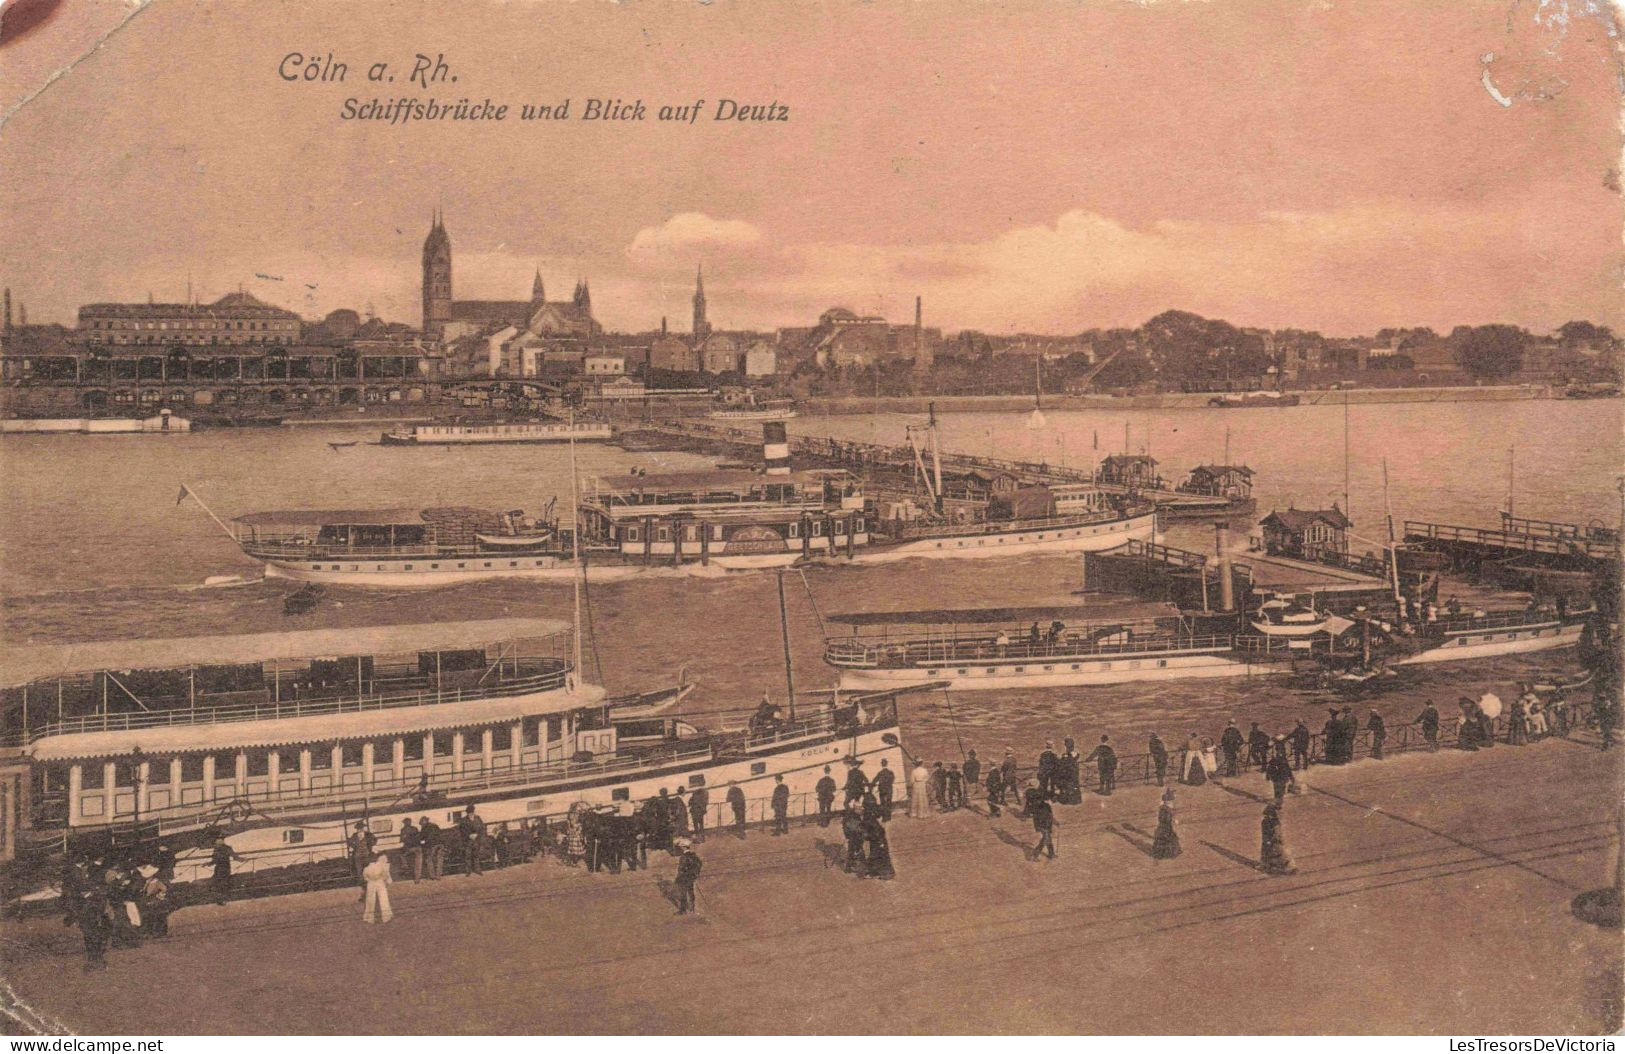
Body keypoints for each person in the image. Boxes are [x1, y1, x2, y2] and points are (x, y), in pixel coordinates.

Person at [1260, 802, 1296, 875]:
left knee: (1279, 854)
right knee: (1273, 854)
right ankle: (1284, 867)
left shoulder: (1271, 822)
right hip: (1270, 840)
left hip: (1272, 840)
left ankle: (1287, 868)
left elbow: (1277, 832)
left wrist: (1273, 839)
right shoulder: (1271, 821)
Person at [361, 851, 394, 923]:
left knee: (370, 900)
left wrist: (371, 880)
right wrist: (384, 881)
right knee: (383, 899)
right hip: (380, 883)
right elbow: (385, 875)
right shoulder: (380, 867)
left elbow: (365, 878)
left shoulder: (366, 869)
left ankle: (369, 918)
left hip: (371, 884)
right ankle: (386, 917)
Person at [210, 838, 244, 905]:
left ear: (222, 841)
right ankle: (221, 899)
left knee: (222, 883)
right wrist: (208, 863)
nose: (217, 843)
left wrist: (241, 859)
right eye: (217, 842)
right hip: (218, 868)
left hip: (224, 868)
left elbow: (234, 857)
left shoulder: (226, 848)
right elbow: (214, 860)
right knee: (217, 883)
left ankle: (222, 899)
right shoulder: (217, 849)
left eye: (218, 841)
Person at [673, 838, 702, 915]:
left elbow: (681, 870)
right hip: (690, 878)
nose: (680, 848)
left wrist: (678, 878)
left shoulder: (683, 857)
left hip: (683, 878)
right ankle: (692, 909)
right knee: (690, 892)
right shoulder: (693, 856)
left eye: (680, 847)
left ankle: (683, 910)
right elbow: (699, 864)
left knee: (682, 894)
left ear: (683, 847)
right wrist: (695, 874)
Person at [863, 812, 895, 879]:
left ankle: (874, 873)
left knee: (876, 858)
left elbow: (877, 834)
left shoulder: (872, 822)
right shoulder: (874, 822)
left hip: (878, 844)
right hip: (879, 843)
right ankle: (885, 873)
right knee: (881, 858)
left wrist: (866, 836)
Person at [1151, 789, 1182, 860]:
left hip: (1163, 827)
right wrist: (1173, 820)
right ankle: (1167, 854)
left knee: (1163, 840)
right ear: (1168, 801)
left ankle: (1162, 853)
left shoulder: (1164, 808)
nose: (1172, 803)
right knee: (1168, 840)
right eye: (1171, 801)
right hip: (1166, 827)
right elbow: (1166, 818)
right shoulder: (1166, 809)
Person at [460, 805, 487, 876]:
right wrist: (468, 835)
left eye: (472, 812)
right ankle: (468, 871)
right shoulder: (463, 820)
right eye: (469, 813)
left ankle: (478, 870)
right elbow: (462, 830)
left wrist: (477, 834)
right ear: (467, 813)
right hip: (468, 840)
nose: (471, 814)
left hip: (476, 840)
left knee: (476, 855)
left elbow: (482, 828)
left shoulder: (478, 818)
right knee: (468, 856)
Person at [841, 806, 867, 874]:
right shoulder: (853, 818)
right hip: (855, 837)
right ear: (856, 810)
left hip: (854, 837)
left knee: (852, 851)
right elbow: (856, 828)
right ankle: (862, 866)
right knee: (857, 851)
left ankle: (849, 867)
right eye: (860, 810)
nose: (862, 811)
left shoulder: (853, 816)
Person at [1029, 796, 1056, 861]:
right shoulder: (1035, 807)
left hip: (1048, 825)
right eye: (1036, 800)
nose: (1037, 801)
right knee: (1045, 839)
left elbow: (1050, 815)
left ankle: (1051, 853)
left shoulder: (1046, 805)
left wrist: (1055, 821)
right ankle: (1034, 854)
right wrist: (1038, 827)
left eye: (1039, 800)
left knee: (1047, 838)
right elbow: (1035, 819)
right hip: (1042, 826)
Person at [399, 817, 424, 882]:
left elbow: (402, 840)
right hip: (418, 847)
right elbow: (419, 837)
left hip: (409, 848)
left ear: (404, 823)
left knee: (402, 855)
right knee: (418, 863)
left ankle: (405, 866)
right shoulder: (415, 828)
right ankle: (417, 879)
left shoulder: (403, 830)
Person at [1058, 738, 1082, 804]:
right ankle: (1075, 800)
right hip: (1074, 772)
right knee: (1074, 786)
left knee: (1068, 786)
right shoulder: (1076, 754)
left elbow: (1062, 764)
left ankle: (1068, 800)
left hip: (1068, 772)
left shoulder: (1065, 756)